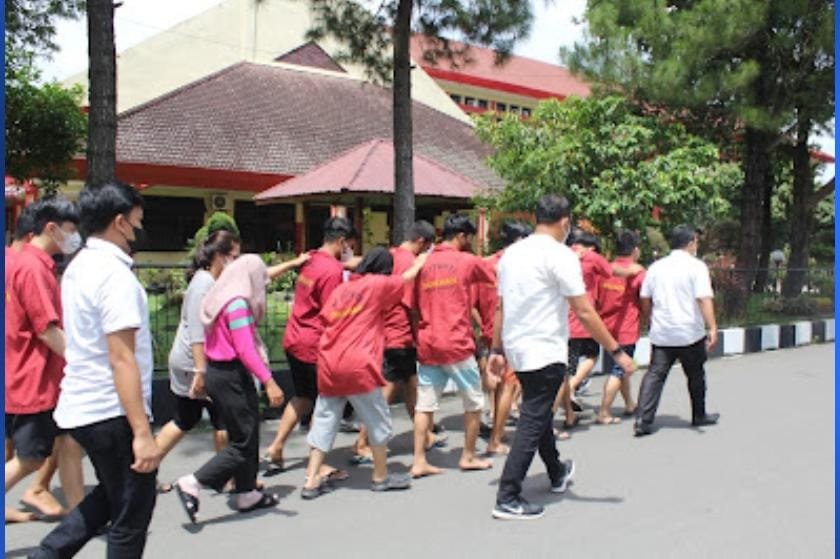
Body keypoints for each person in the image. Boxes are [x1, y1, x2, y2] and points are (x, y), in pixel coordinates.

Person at [31, 182, 161, 558]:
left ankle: (47, 554)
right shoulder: (114, 275)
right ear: (120, 222)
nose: (139, 230)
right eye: (137, 222)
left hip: (83, 404)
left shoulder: (79, 266)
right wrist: (142, 432)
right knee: (131, 513)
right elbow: (122, 358)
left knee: (110, 495)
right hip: (111, 409)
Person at [488, 194, 635, 520]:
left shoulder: (512, 254)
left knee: (537, 412)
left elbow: (501, 306)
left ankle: (556, 472)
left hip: (516, 348)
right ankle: (508, 496)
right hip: (544, 349)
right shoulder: (561, 256)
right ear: (565, 222)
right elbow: (584, 310)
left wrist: (496, 350)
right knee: (532, 419)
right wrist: (616, 351)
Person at [155, 231, 309, 487]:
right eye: (234, 257)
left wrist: (294, 263)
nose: (237, 263)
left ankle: (229, 479)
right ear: (219, 256)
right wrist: (201, 372)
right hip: (197, 362)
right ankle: (221, 479)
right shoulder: (205, 284)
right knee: (217, 421)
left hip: (204, 362)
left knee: (198, 419)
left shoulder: (220, 281)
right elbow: (198, 334)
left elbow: (260, 274)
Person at [301, 247, 428, 498]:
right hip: (358, 365)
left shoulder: (341, 289)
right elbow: (405, 278)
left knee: (325, 420)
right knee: (377, 419)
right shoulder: (376, 284)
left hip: (330, 363)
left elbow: (326, 319)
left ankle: (312, 479)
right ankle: (380, 476)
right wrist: (421, 261)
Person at [173, 255, 285, 523]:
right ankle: (193, 482)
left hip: (220, 372)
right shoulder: (236, 305)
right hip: (230, 374)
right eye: (260, 279)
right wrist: (269, 381)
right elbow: (245, 348)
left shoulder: (220, 298)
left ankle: (247, 493)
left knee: (246, 432)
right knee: (243, 441)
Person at [5, 197, 85, 524]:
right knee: (31, 457)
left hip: (18, 372)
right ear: (51, 228)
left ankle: (70, 509)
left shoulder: (14, 259)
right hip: (33, 378)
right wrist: (81, 361)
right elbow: (46, 330)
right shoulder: (34, 269)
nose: (74, 237)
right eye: (70, 229)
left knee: (52, 442)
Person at [265, 217, 357, 479]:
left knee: (303, 397)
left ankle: (276, 446)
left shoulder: (310, 259)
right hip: (314, 345)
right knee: (322, 404)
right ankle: (316, 465)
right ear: (342, 241)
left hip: (294, 338)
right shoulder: (332, 271)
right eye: (349, 246)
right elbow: (332, 312)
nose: (349, 251)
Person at [410, 213, 496, 478]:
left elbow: (413, 306)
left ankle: (419, 461)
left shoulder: (422, 262)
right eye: (468, 238)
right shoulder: (467, 261)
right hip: (457, 343)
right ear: (461, 236)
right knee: (474, 402)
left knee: (425, 405)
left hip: (428, 342)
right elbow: (493, 275)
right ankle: (468, 456)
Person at [351, 220, 439, 463]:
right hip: (399, 333)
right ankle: (362, 441)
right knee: (387, 390)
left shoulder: (390, 254)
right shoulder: (410, 262)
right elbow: (410, 305)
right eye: (426, 247)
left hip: (387, 330)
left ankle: (425, 435)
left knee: (411, 385)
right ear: (421, 242)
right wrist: (419, 333)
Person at [634, 225, 719, 437]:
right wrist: (712, 326)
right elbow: (703, 298)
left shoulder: (656, 267)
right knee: (696, 374)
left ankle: (643, 420)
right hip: (690, 333)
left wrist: (648, 319)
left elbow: (645, 297)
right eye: (696, 241)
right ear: (690, 243)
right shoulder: (697, 267)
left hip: (663, 333)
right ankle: (699, 415)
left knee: (655, 375)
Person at [556, 229, 642, 436]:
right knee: (613, 368)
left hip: (579, 324)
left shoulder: (562, 256)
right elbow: (639, 293)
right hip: (607, 325)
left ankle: (629, 404)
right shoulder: (595, 261)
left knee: (616, 368)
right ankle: (601, 409)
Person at [473, 220, 532, 456]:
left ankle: (495, 422)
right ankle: (496, 438)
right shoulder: (520, 265)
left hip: (490, 331)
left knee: (495, 381)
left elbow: (471, 303)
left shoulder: (484, 264)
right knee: (509, 384)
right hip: (512, 331)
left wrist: (482, 326)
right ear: (519, 240)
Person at [596, 230, 645, 424]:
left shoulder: (605, 270)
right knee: (618, 370)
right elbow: (645, 299)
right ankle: (604, 411)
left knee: (622, 366)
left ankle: (629, 404)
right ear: (635, 250)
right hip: (626, 328)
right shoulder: (638, 273)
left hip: (605, 328)